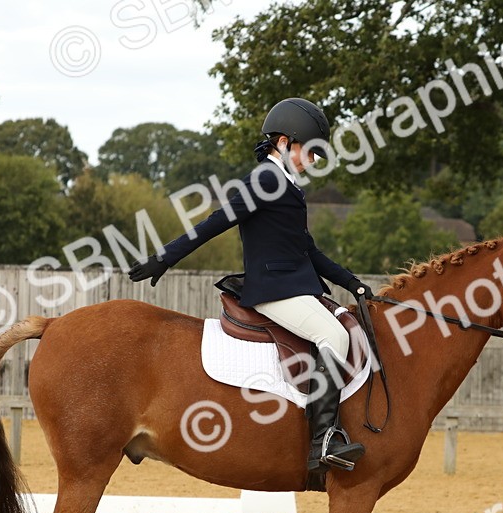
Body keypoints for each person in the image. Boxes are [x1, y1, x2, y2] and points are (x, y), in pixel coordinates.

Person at [128, 97, 373, 473]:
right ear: (285, 141)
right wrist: (166, 257)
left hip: (296, 287)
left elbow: (308, 249)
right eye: (310, 152)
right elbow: (218, 220)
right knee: (336, 338)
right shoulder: (266, 179)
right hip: (275, 291)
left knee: (337, 331)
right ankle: (322, 440)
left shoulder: (288, 184)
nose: (312, 161)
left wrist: (352, 283)